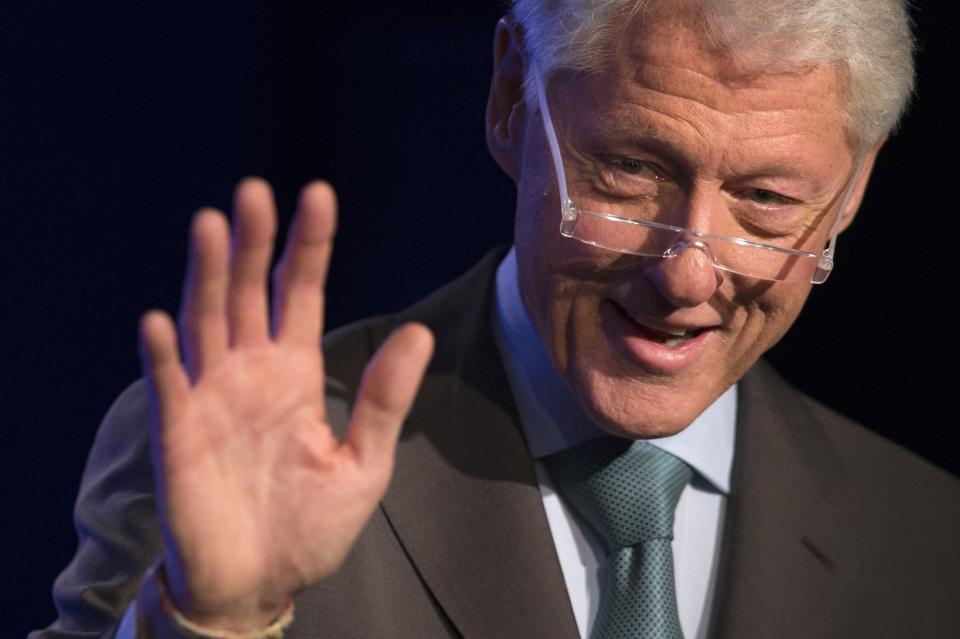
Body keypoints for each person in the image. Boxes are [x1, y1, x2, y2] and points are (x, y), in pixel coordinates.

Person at [33, 0, 960, 637]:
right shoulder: (245, 465)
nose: (686, 272)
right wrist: (215, 621)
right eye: (633, 169)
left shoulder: (928, 538)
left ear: (852, 190)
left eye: (764, 198)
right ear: (514, 97)